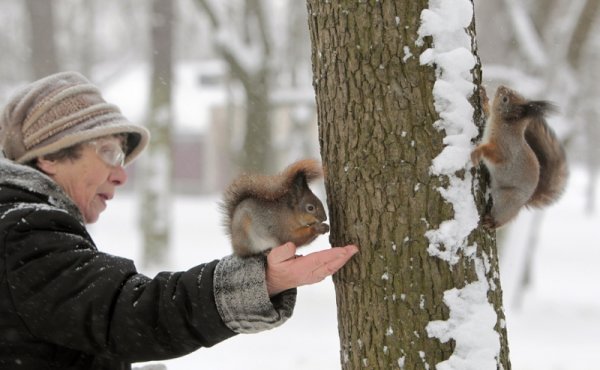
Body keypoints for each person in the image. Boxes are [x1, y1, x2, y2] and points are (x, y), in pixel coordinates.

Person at [0, 71, 358, 369]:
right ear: (48, 157)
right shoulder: (23, 232)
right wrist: (259, 280)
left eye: (122, 158)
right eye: (107, 152)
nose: (121, 175)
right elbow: (127, 312)